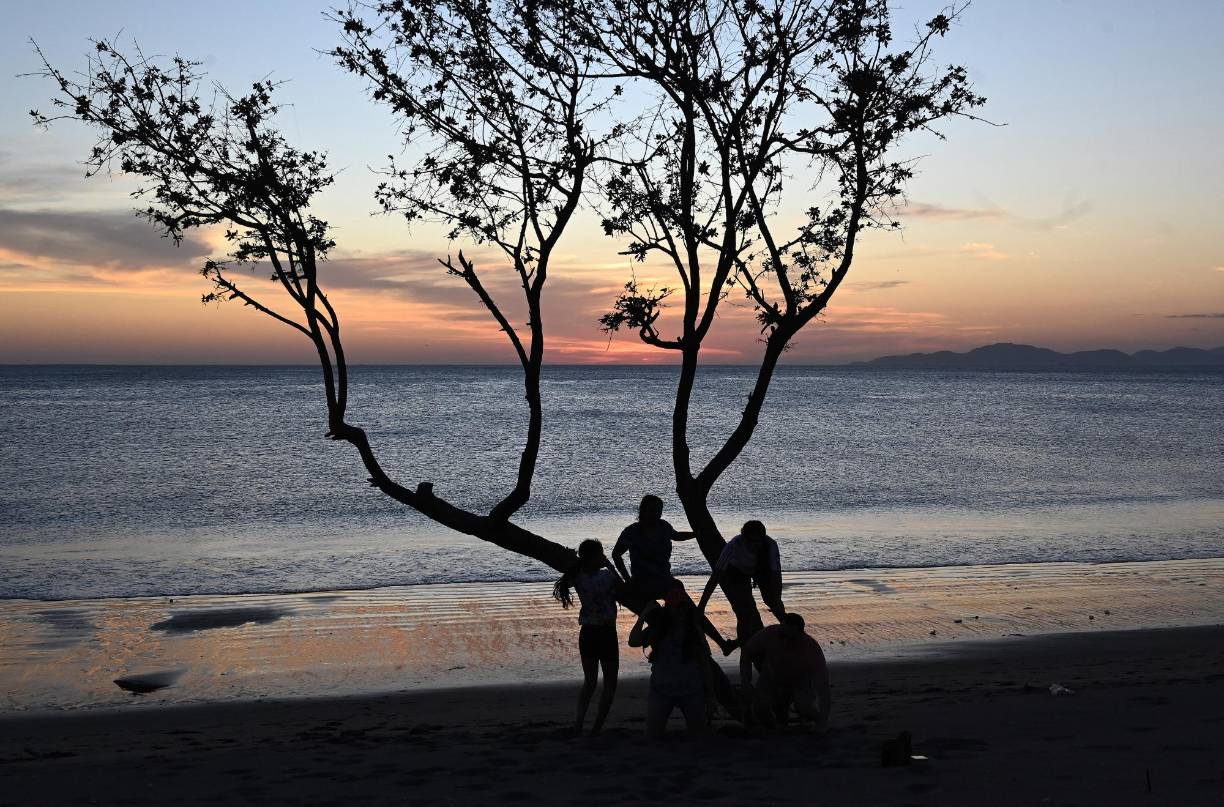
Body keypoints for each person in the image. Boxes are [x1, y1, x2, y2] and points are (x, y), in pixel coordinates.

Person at [553, 539, 622, 736]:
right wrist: (609, 564)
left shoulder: (577, 577)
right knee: (610, 683)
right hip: (606, 634)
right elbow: (623, 587)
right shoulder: (607, 576)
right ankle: (597, 728)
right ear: (595, 557)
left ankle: (578, 724)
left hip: (588, 634)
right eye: (601, 554)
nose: (603, 557)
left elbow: (570, 564)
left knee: (590, 682)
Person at [629, 583, 711, 739]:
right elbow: (633, 641)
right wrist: (644, 614)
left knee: (699, 737)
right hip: (662, 690)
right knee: (652, 736)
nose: (681, 611)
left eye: (683, 607)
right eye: (676, 607)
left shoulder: (694, 631)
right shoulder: (658, 630)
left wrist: (710, 694)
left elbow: (704, 663)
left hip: (691, 690)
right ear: (668, 608)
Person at [697, 519, 786, 642]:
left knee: (773, 602)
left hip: (761, 568)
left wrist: (777, 598)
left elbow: (776, 575)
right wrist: (702, 606)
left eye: (758, 541)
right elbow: (716, 576)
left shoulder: (770, 545)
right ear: (744, 538)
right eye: (750, 541)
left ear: (763, 538)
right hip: (737, 572)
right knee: (745, 611)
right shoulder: (734, 545)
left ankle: (789, 629)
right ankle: (744, 643)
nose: (754, 545)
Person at [739, 612, 830, 729]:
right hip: (771, 677)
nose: (786, 641)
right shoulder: (769, 633)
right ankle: (772, 727)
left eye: (791, 638)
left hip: (800, 681)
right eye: (782, 636)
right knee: (759, 709)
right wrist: (746, 681)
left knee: (805, 708)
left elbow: (823, 687)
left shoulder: (811, 647)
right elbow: (747, 652)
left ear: (801, 635)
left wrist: (823, 720)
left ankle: (816, 719)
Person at [612, 495, 695, 601]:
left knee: (678, 588)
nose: (655, 514)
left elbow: (678, 536)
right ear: (643, 511)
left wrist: (697, 534)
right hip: (642, 582)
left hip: (664, 578)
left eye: (658, 511)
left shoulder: (664, 526)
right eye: (651, 510)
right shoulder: (632, 532)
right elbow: (616, 554)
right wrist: (627, 580)